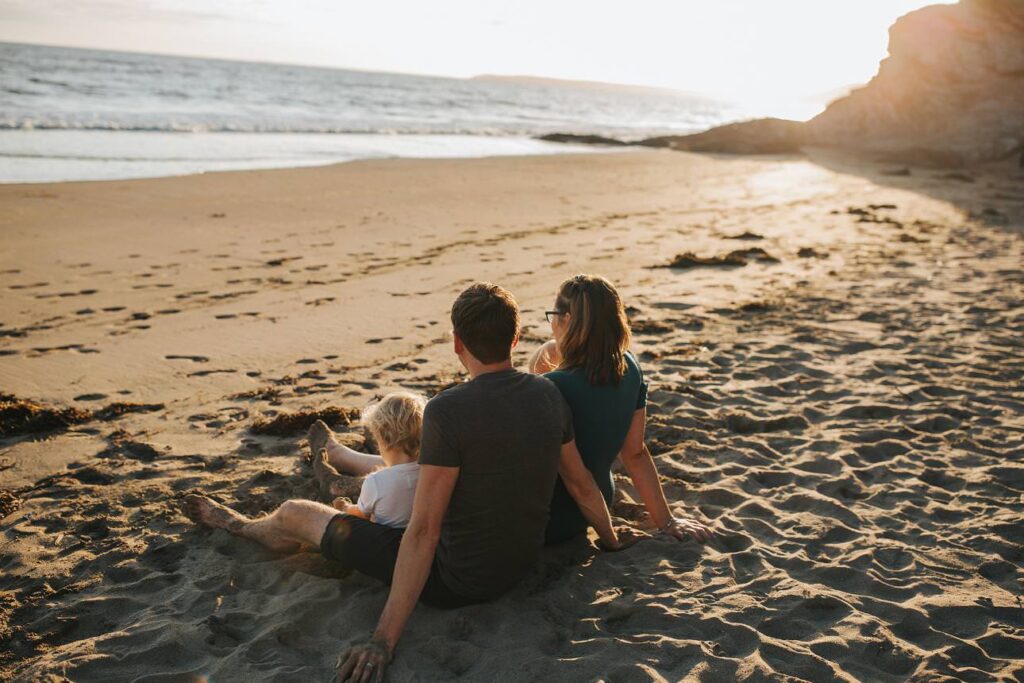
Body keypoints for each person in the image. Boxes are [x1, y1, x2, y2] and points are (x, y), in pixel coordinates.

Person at [182, 282, 634, 683]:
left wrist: (382, 640)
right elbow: (580, 484)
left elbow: (423, 531)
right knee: (394, 482)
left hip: (455, 582)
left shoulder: (447, 410)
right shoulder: (548, 394)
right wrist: (610, 540)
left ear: (457, 343)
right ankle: (346, 473)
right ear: (514, 339)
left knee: (296, 513)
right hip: (518, 566)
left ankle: (244, 527)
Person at [529, 274, 714, 545]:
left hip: (554, 515)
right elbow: (635, 454)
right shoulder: (630, 368)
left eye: (553, 315)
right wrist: (667, 521)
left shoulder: (552, 387)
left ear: (566, 320)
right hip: (599, 504)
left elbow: (535, 379)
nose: (552, 323)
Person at [306, 391, 425, 529]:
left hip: (386, 540)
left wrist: (345, 507)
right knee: (400, 469)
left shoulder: (375, 482)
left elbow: (360, 514)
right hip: (424, 538)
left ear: (383, 440)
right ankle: (340, 456)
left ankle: (334, 483)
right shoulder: (433, 472)